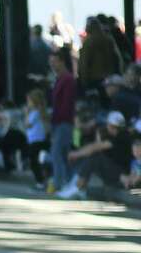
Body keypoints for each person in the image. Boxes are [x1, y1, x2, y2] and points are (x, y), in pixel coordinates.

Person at [58, 111, 130, 199]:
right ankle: (78, 188)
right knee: (92, 156)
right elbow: (97, 146)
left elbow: (96, 147)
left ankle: (77, 187)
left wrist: (75, 154)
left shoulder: (122, 135)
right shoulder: (112, 135)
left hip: (121, 175)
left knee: (94, 157)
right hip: (113, 172)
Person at [49, 46, 77, 192]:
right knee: (63, 154)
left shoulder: (67, 80)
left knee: (58, 153)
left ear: (62, 62)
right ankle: (67, 182)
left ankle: (59, 183)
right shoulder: (59, 79)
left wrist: (58, 118)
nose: (52, 65)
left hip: (64, 122)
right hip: (57, 121)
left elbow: (66, 105)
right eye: (51, 62)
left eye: (54, 61)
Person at [79, 18, 123, 99]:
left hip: (94, 79)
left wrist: (83, 80)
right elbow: (117, 58)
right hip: (110, 77)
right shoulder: (109, 39)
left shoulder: (89, 41)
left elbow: (84, 63)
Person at [24, 87, 50, 190]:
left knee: (33, 162)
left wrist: (26, 113)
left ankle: (40, 182)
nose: (28, 103)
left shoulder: (35, 113)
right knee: (36, 161)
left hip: (35, 141)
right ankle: (41, 181)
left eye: (29, 101)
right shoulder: (40, 112)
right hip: (36, 140)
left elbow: (27, 125)